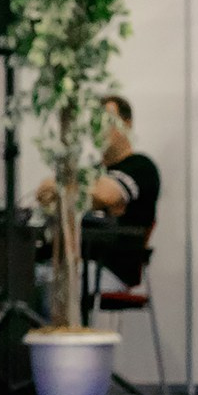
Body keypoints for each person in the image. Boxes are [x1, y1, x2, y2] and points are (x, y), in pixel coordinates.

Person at [37, 95, 159, 288]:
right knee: (20, 273)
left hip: (110, 268)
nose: (99, 129)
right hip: (73, 261)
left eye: (107, 122)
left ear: (127, 124)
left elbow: (108, 195)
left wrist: (65, 187)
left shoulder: (140, 167)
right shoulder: (90, 173)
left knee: (45, 282)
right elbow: (44, 194)